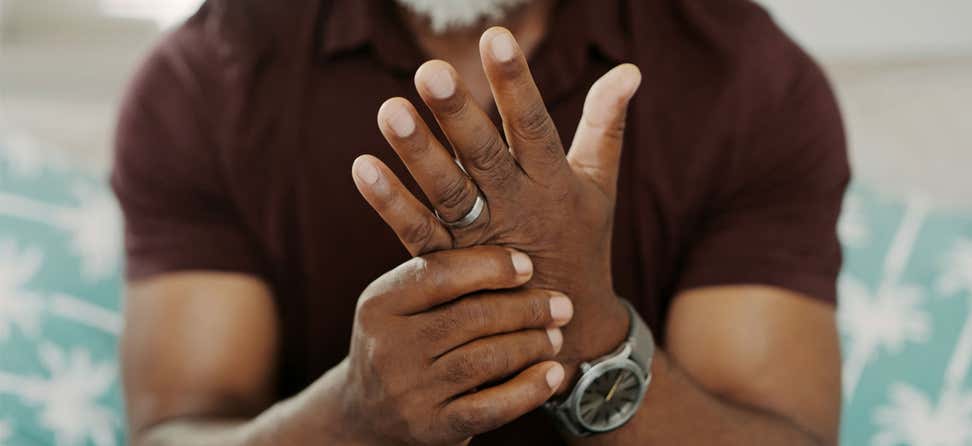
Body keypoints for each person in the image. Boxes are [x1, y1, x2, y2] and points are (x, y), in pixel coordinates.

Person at [112, 0, 849, 444]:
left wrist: (593, 341)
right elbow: (175, 430)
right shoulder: (204, 81)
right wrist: (349, 419)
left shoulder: (747, 79)